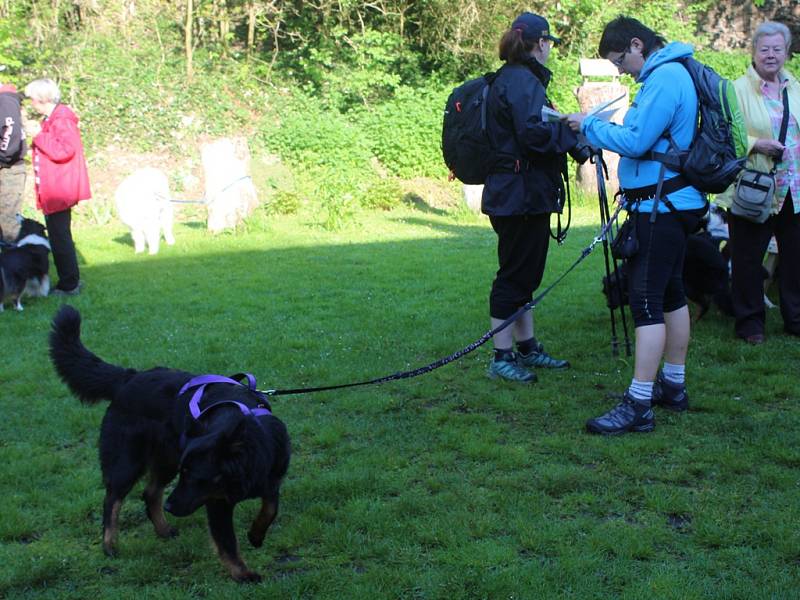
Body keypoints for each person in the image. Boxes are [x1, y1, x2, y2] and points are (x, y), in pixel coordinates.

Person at [565, 17, 707, 434]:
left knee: (644, 300)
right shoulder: (673, 74)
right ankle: (673, 388)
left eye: (619, 61)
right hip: (670, 205)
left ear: (635, 44)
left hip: (660, 210)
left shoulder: (664, 78)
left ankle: (639, 403)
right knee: (671, 294)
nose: (622, 70)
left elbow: (636, 141)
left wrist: (589, 123)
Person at [482, 13, 580, 383]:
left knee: (525, 274)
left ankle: (527, 348)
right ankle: (502, 357)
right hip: (519, 196)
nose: (550, 49)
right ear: (541, 43)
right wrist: (571, 137)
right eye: (549, 43)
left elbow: (532, 130)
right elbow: (534, 137)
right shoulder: (523, 81)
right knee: (514, 276)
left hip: (517, 192)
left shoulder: (512, 78)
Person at [715, 21, 800, 344]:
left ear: (787, 52)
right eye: (764, 49)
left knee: (795, 260)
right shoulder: (736, 89)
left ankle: (795, 319)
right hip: (754, 188)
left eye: (777, 49)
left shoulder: (795, 86)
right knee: (749, 260)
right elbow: (724, 134)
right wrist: (756, 144)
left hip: (794, 188)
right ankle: (750, 324)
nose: (771, 55)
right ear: (753, 52)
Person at [24, 78, 91, 295]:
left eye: (33, 99)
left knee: (59, 237)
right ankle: (69, 280)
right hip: (56, 186)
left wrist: (38, 136)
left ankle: (69, 284)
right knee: (59, 235)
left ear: (42, 99)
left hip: (59, 187)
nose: (31, 103)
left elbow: (64, 151)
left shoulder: (61, 120)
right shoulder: (53, 118)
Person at [0, 80, 27, 242]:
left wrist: (3, 158)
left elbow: (11, 134)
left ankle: (16, 263)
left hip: (9, 168)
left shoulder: (5, 100)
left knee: (8, 221)